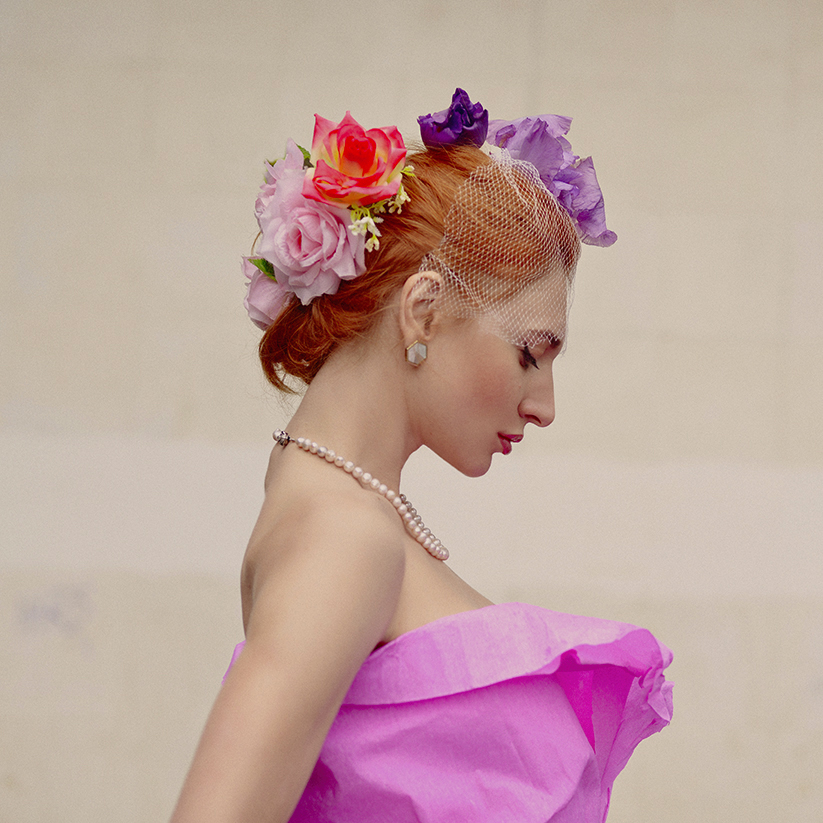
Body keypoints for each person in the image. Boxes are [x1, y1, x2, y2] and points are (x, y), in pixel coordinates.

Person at [171, 89, 672, 823]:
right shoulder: (344, 534)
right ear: (423, 308)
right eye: (530, 353)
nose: (545, 405)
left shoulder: (342, 513)